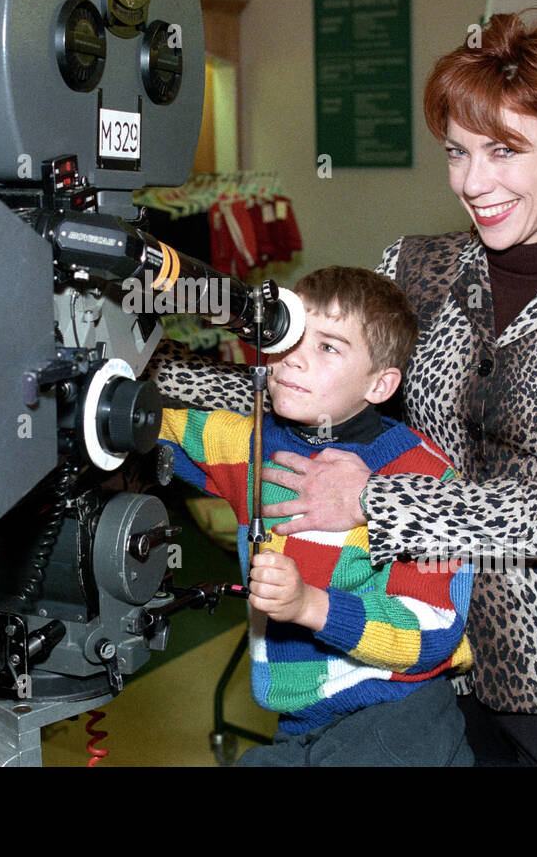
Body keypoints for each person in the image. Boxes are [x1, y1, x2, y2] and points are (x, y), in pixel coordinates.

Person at [150, 9, 537, 766]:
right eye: (458, 152)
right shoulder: (416, 265)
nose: (474, 182)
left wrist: (372, 500)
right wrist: (144, 376)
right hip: (418, 664)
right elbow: (317, 382)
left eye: (503, 151)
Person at [158, 266, 473, 766]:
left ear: (380, 384)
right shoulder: (247, 444)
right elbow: (143, 414)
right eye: (292, 334)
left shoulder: (421, 477)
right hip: (299, 724)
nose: (293, 360)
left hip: (397, 720)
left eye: (327, 347)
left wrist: (311, 606)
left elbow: (435, 626)